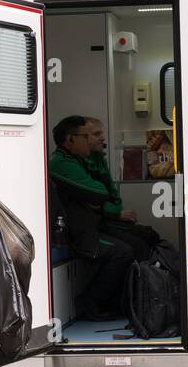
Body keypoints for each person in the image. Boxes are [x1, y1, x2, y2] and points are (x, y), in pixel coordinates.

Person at [48, 115, 134, 321]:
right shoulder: (61, 163)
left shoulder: (76, 161)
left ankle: (118, 303)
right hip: (78, 233)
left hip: (89, 226)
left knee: (140, 239)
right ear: (70, 139)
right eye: (86, 137)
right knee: (123, 252)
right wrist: (94, 198)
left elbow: (102, 193)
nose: (91, 142)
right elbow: (98, 193)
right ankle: (90, 302)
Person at [82, 116, 160, 262]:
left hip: (108, 217)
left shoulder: (99, 159)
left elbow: (112, 193)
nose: (102, 139)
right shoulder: (79, 164)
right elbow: (92, 200)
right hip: (96, 223)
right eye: (96, 135)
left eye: (102, 134)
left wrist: (123, 217)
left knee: (150, 235)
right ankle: (138, 282)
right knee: (137, 246)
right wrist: (117, 213)